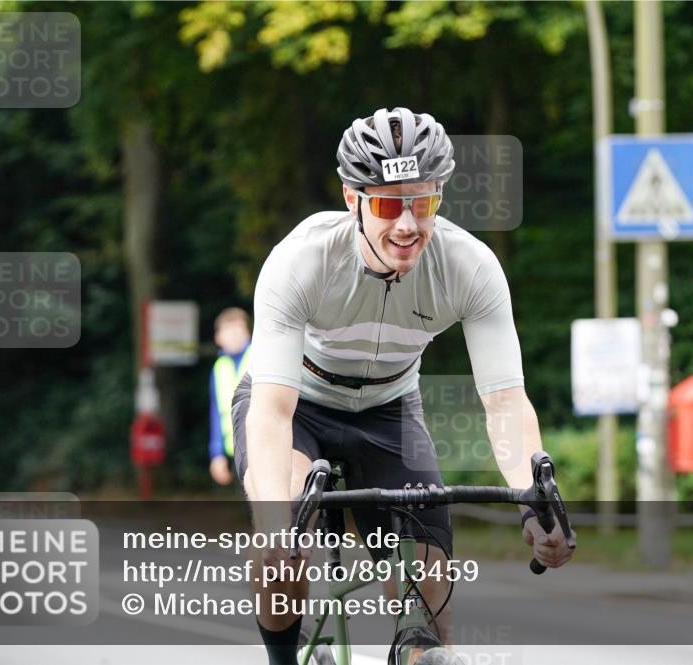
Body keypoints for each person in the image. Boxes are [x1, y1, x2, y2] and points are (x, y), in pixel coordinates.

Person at [231, 107, 572, 664]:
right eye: (390, 204)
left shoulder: (471, 267)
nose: (408, 224)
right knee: (282, 542)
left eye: (424, 202)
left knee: (430, 589)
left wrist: (535, 507)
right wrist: (273, 524)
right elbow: (271, 411)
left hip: (389, 408)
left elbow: (506, 401)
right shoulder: (300, 261)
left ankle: (417, 650)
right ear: (352, 198)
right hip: (299, 406)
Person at [208, 308, 252, 485]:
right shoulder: (219, 367)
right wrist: (216, 454)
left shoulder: (259, 356)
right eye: (228, 330)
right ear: (217, 338)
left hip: (265, 445)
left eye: (238, 329)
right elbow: (216, 413)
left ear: (248, 332)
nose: (233, 335)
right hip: (236, 452)